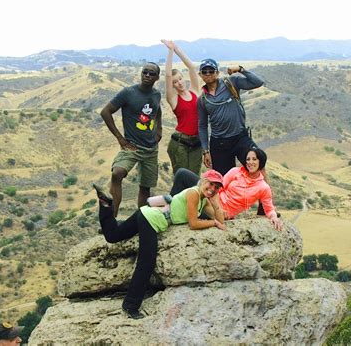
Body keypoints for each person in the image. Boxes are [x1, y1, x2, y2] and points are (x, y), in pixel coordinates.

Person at [95, 170, 225, 319]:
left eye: (217, 187)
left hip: (145, 212)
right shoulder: (194, 194)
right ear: (203, 180)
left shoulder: (204, 200)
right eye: (211, 184)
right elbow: (194, 223)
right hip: (152, 219)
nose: (213, 189)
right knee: (147, 262)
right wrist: (213, 222)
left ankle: (106, 204)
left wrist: (216, 204)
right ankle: (130, 306)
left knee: (113, 235)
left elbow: (221, 222)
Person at [100, 62, 162, 217]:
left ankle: (142, 218)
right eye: (145, 72)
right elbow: (105, 112)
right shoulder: (128, 93)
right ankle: (111, 218)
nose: (147, 75)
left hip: (151, 149)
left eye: (151, 73)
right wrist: (120, 138)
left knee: (145, 187)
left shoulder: (156, 94)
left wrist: (159, 130)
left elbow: (157, 110)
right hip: (132, 146)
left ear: (157, 77)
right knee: (117, 173)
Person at [170, 148, 282, 230]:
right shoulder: (235, 171)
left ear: (261, 161)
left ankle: (173, 212)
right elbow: (219, 187)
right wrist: (215, 201)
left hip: (219, 214)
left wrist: (274, 217)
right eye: (248, 159)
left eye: (254, 159)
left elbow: (269, 208)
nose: (250, 162)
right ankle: (169, 205)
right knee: (182, 174)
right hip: (212, 199)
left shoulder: (263, 187)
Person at [197, 58, 264, 176]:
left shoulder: (231, 83)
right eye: (204, 71)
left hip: (240, 137)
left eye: (211, 71)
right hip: (219, 143)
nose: (208, 74)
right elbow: (202, 126)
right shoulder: (202, 99)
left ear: (217, 73)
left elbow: (257, 82)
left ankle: (264, 194)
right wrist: (205, 151)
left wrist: (240, 69)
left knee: (257, 164)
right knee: (223, 179)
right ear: (200, 75)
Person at [161, 39, 202, 175]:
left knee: (194, 180)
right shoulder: (173, 99)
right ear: (172, 85)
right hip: (180, 144)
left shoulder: (195, 91)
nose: (179, 83)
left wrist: (176, 48)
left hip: (197, 144)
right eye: (175, 82)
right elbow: (167, 75)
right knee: (182, 179)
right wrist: (170, 52)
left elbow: (191, 67)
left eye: (180, 79)